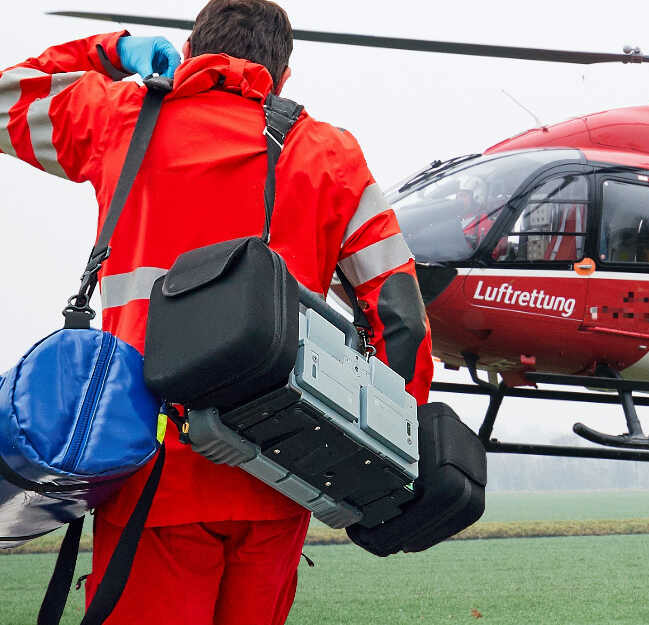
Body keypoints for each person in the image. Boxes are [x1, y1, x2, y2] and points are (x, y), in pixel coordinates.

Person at [0, 1, 434, 623]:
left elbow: (6, 98)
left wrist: (113, 51)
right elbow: (400, 316)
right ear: (283, 76)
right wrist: (384, 454)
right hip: (282, 470)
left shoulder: (123, 118)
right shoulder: (331, 155)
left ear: (189, 52)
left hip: (148, 468)